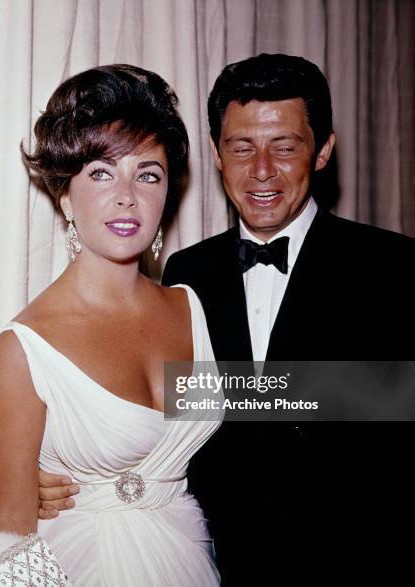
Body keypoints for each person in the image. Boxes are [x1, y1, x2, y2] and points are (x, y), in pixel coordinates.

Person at [41, 54, 415, 586]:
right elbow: (163, 407)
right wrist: (71, 476)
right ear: (216, 155)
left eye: (285, 146)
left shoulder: (394, 266)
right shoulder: (186, 271)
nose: (261, 169)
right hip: (218, 562)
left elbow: (394, 396)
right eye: (241, 147)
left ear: (324, 150)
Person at [0, 64, 223, 586]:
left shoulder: (189, 305)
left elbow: (276, 400)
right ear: (65, 195)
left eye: (148, 174)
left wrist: (385, 390)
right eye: (100, 172)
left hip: (191, 558)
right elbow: (8, 531)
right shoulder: (26, 350)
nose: (127, 195)